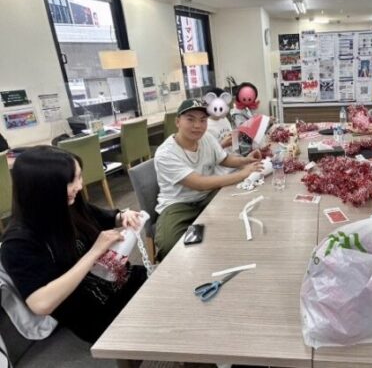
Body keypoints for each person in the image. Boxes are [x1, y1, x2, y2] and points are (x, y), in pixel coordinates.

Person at [0, 146, 146, 343]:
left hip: (124, 282)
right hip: (98, 314)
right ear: (43, 187)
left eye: (79, 176)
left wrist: (124, 216)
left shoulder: (67, 204)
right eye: (71, 181)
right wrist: (94, 252)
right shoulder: (19, 243)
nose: (79, 185)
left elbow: (103, 217)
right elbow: (41, 303)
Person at [154, 98, 263, 260]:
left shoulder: (206, 138)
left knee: (239, 213)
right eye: (190, 119)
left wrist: (246, 160)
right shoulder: (166, 153)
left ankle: (225, 257)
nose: (197, 125)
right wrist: (242, 174)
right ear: (177, 122)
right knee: (170, 245)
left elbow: (224, 159)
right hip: (178, 204)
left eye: (203, 120)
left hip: (208, 195)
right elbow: (199, 183)